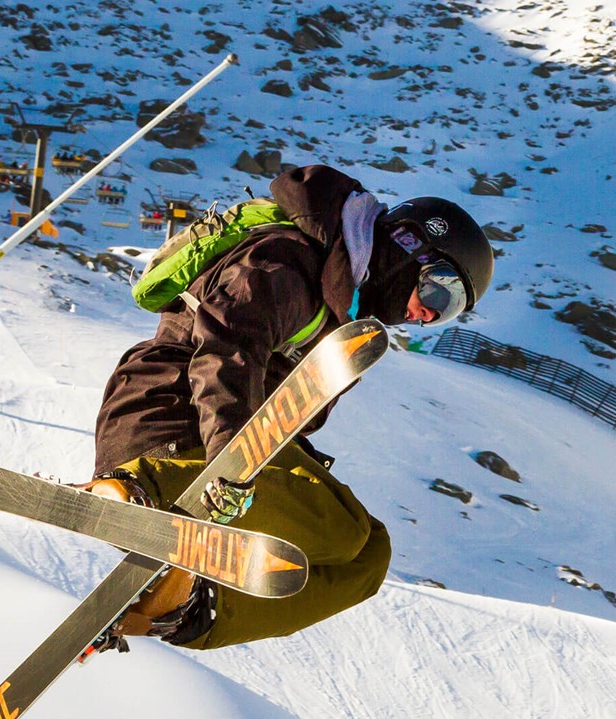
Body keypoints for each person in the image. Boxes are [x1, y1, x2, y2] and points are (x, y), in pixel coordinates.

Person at [86, 164, 494, 653]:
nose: (427, 314)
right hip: (164, 417)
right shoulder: (290, 259)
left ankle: (185, 603)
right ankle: (138, 495)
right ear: (408, 245)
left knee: (365, 556)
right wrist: (230, 463)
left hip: (215, 451)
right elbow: (225, 349)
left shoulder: (342, 312)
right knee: (345, 535)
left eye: (447, 311)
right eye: (437, 290)